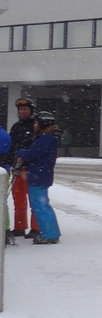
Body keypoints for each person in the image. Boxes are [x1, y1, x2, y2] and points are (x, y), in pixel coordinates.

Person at [15, 111, 62, 244]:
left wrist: (20, 152)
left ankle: (49, 234)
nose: (34, 125)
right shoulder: (49, 138)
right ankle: (50, 232)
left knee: (40, 206)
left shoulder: (44, 139)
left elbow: (32, 154)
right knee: (42, 205)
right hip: (42, 175)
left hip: (38, 176)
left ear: (42, 124)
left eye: (36, 123)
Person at [4, 97, 40, 241]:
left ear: (31, 110)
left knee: (34, 199)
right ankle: (20, 227)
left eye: (25, 109)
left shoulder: (37, 126)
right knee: (18, 199)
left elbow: (38, 148)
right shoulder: (16, 127)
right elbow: (12, 146)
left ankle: (36, 228)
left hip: (33, 169)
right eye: (20, 109)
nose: (22, 111)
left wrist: (26, 157)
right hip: (18, 168)